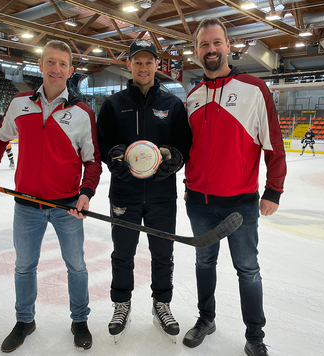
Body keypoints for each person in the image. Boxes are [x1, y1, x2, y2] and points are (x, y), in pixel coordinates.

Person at [0, 40, 102, 353]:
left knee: (77, 266)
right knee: (24, 267)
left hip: (67, 206)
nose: (56, 69)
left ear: (71, 70)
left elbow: (92, 160)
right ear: (41, 66)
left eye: (62, 64)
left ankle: (79, 320)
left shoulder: (82, 112)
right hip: (27, 205)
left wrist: (86, 193)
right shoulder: (20, 103)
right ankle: (24, 321)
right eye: (50, 62)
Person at [182, 18, 287, 356]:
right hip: (199, 200)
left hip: (240, 202)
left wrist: (274, 189)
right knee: (203, 264)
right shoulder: (193, 96)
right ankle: (206, 319)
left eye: (216, 43)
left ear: (228, 46)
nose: (210, 50)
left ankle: (254, 337)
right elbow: (188, 148)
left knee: (248, 269)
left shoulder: (254, 88)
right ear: (196, 51)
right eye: (203, 45)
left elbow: (273, 141)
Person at [96, 39, 192, 342]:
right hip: (124, 193)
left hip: (163, 194)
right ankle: (121, 304)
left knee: (163, 253)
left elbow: (184, 145)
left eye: (148, 61)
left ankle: (161, 304)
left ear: (156, 66)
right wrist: (114, 158)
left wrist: (173, 161)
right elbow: (103, 143)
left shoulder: (173, 105)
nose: (143, 67)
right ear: (129, 65)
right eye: (137, 61)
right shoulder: (113, 104)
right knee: (122, 253)